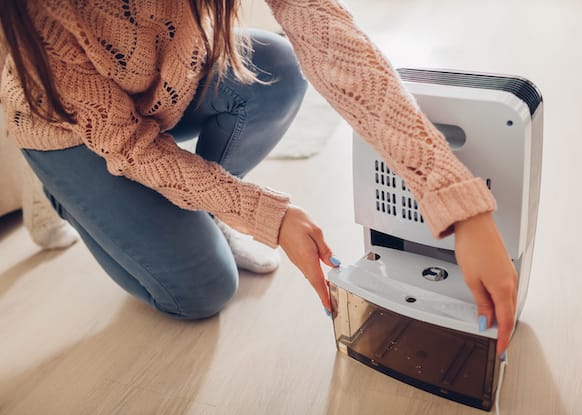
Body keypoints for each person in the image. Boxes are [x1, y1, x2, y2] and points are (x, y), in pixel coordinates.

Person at [0, 0, 517, 356]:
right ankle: (59, 190)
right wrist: (266, 214)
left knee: (279, 67)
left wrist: (452, 196)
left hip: (167, 76)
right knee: (202, 293)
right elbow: (133, 148)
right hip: (70, 125)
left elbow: (327, 35)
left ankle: (202, 206)